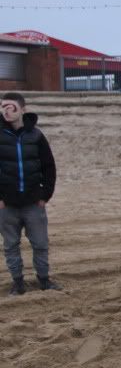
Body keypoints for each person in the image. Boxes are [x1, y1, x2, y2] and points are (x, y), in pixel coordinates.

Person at [0, 92, 59, 295]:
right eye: (2, 106)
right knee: (10, 246)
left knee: (40, 244)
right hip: (7, 205)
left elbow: (49, 167)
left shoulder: (36, 135)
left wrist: (45, 195)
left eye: (10, 106)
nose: (6, 110)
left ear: (22, 109)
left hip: (34, 202)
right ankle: (18, 284)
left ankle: (44, 280)